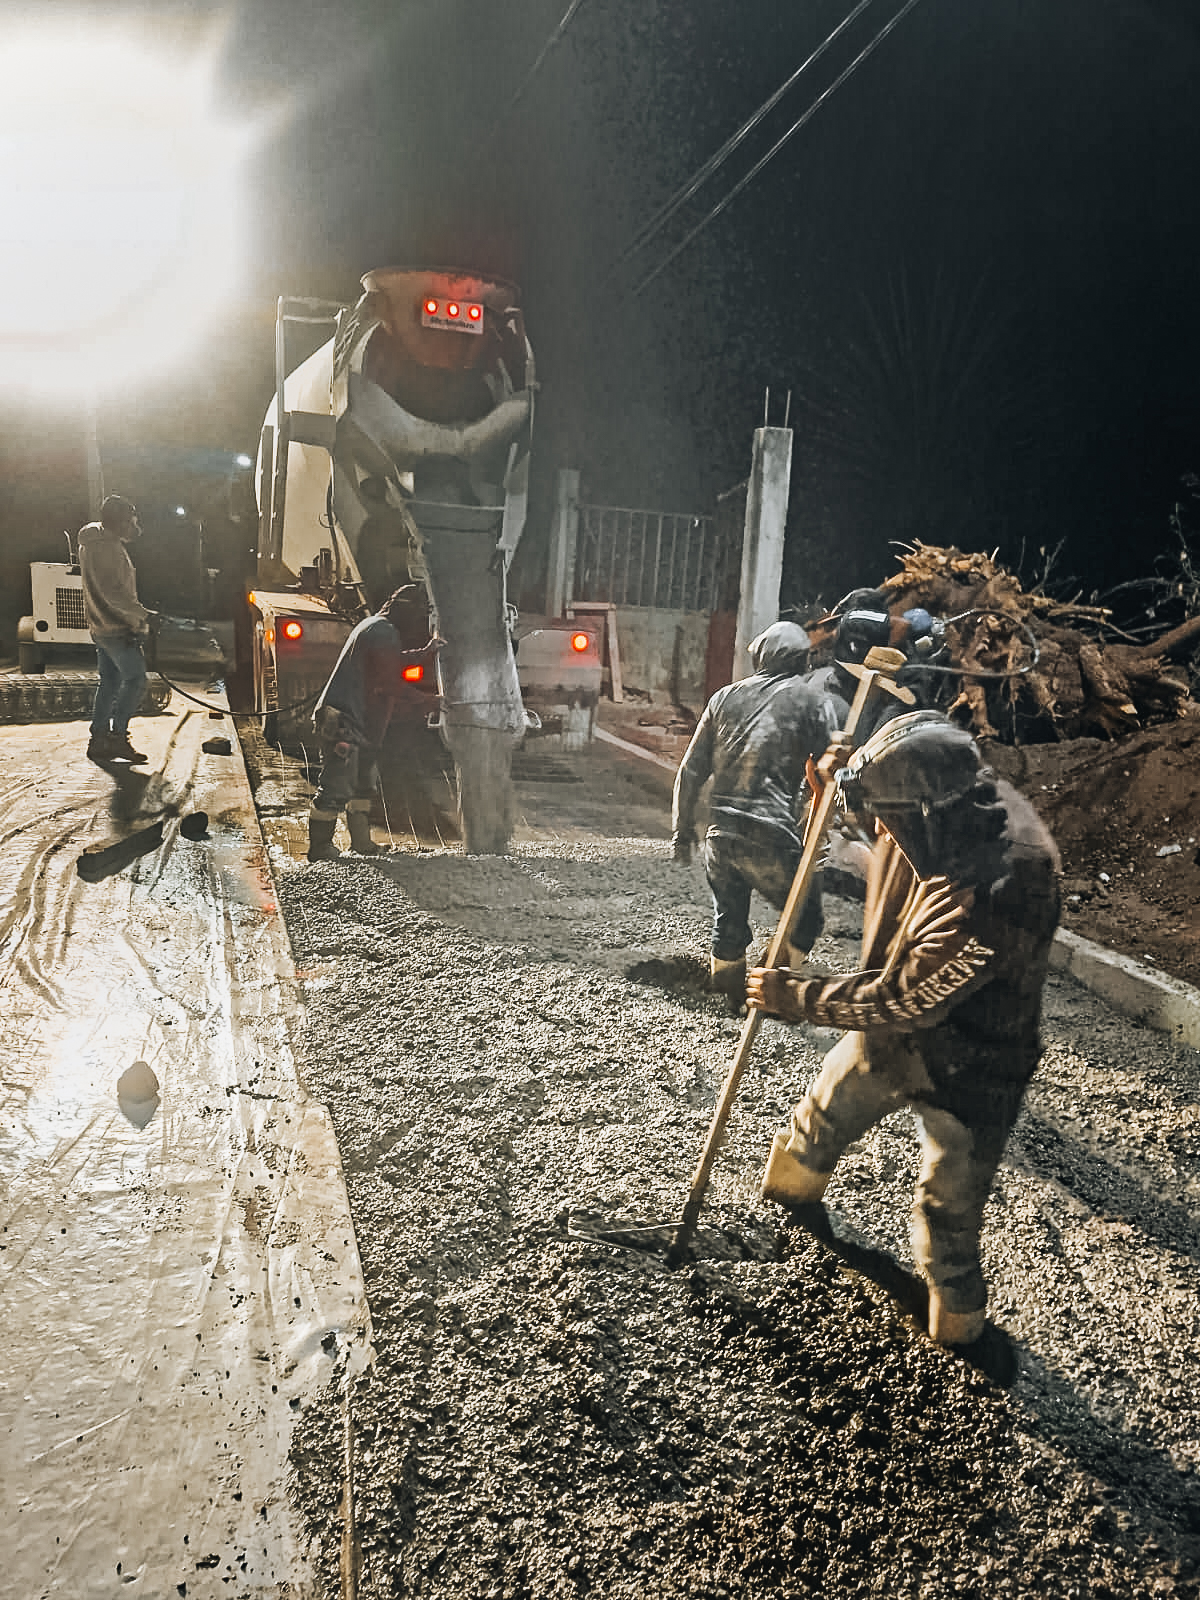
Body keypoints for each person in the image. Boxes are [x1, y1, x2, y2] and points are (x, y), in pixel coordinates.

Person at [746, 710, 1062, 1348]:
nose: (880, 830)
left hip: (973, 1063)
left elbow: (905, 1000)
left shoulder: (1007, 881)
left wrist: (795, 995)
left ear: (925, 814)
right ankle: (785, 1207)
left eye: (890, 820)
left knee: (947, 1216)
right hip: (889, 1037)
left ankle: (960, 1331)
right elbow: (887, 803)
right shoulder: (944, 800)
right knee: (819, 1121)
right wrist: (848, 784)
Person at [671, 621, 842, 998]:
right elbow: (833, 771)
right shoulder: (814, 702)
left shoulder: (722, 698)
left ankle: (725, 997)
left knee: (728, 922)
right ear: (801, 661)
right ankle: (768, 990)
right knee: (806, 919)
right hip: (772, 837)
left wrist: (681, 831)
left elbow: (691, 770)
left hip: (720, 838)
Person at [307, 586, 443, 861]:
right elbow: (390, 682)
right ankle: (319, 848)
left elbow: (390, 662)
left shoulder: (375, 627)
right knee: (336, 786)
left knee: (362, 785)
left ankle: (361, 844)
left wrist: (426, 652)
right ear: (406, 611)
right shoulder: (384, 632)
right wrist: (431, 700)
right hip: (343, 720)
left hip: (357, 721)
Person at [79, 494, 154, 764]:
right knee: (136, 680)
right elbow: (115, 593)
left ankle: (98, 739)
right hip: (116, 626)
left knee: (109, 681)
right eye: (131, 521)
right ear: (120, 522)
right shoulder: (107, 548)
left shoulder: (92, 541)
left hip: (100, 625)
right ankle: (117, 738)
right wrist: (143, 616)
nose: (135, 527)